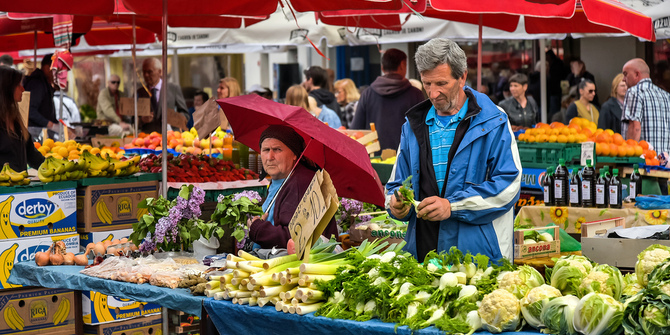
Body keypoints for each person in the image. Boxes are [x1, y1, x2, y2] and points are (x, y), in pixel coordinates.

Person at [386, 38, 521, 263]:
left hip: (479, 260)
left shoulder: (494, 121)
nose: (433, 93)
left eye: (441, 83)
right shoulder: (412, 125)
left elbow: (509, 186)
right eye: (426, 83)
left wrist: (454, 206)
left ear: (462, 77)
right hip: (422, 256)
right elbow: (395, 185)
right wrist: (397, 205)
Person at [247, 125, 339, 249]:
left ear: (294, 154)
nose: (270, 157)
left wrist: (258, 229)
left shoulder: (302, 183)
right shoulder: (279, 179)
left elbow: (295, 238)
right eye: (266, 150)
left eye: (277, 149)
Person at [351, 49, 424, 153]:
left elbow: (356, 130)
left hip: (374, 158)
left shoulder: (367, 94)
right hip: (407, 158)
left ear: (382, 67)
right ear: (403, 65)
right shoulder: (415, 94)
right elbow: (423, 132)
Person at [622, 58, 670, 154]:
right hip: (665, 161)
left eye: (625, 74)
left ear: (637, 74)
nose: (623, 79)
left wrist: (630, 157)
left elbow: (635, 127)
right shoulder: (666, 95)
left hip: (644, 160)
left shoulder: (634, 92)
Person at [0, 67, 44, 171]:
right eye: (18, 85)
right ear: (7, 88)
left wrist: (55, 167)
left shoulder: (16, 123)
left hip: (20, 185)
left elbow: (33, 157)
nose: (23, 89)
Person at [137, 58, 189, 133]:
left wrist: (173, 118)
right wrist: (142, 120)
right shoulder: (140, 92)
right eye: (144, 72)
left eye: (149, 72)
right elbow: (132, 119)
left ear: (160, 72)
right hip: (148, 138)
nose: (146, 75)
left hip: (170, 136)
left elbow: (185, 114)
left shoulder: (173, 89)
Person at [23, 53, 57, 140]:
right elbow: (30, 110)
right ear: (47, 67)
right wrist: (50, 124)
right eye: (56, 69)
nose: (57, 74)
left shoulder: (44, 83)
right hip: (35, 132)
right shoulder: (37, 84)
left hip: (40, 131)